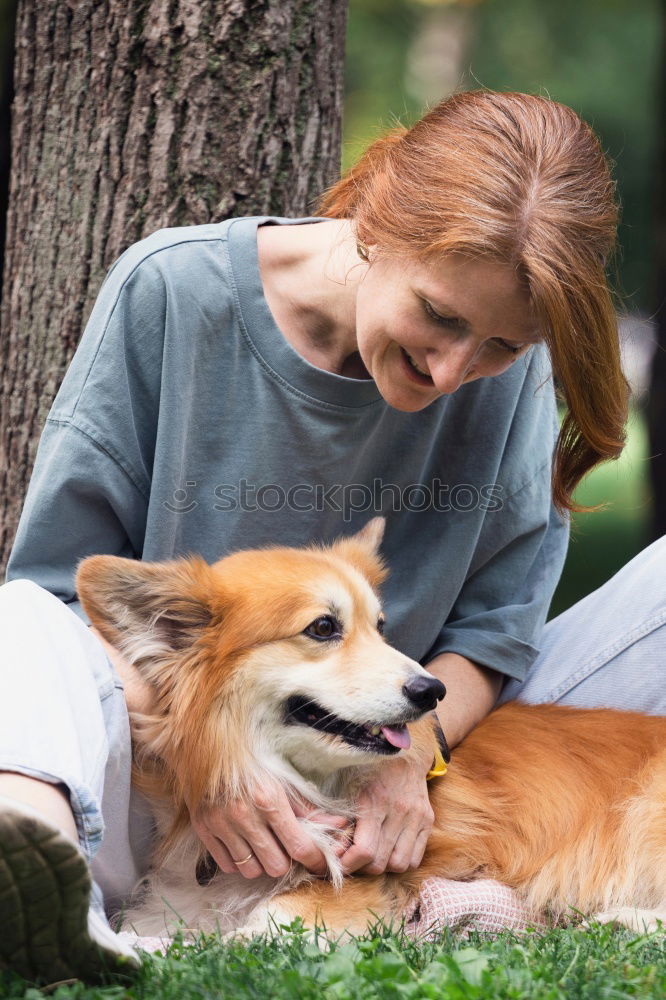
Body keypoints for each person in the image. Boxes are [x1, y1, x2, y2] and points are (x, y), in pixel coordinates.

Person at [0, 89, 658, 982]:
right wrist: (215, 761)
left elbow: (497, 631)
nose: (456, 370)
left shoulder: (511, 359)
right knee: (15, 623)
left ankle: (473, 878)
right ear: (377, 225)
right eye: (440, 315)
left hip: (425, 723)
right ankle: (37, 866)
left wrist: (411, 757)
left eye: (502, 347)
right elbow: (54, 593)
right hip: (167, 757)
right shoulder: (173, 291)